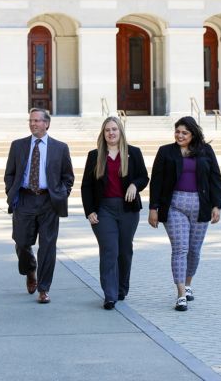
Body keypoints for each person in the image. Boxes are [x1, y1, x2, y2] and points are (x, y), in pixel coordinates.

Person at [148, 116, 221, 312]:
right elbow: (156, 180)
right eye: (177, 132)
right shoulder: (166, 152)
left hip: (200, 206)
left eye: (184, 133)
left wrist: (217, 205)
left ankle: (188, 284)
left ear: (193, 134)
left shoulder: (205, 151)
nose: (179, 135)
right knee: (180, 248)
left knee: (194, 250)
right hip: (174, 206)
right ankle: (180, 294)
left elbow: (215, 177)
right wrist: (153, 208)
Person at [4, 108, 74, 304]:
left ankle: (44, 288)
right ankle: (30, 269)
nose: (33, 123)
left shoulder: (60, 148)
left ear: (47, 124)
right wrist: (11, 192)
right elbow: (10, 173)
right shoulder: (18, 146)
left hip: (48, 202)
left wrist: (60, 195)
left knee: (48, 246)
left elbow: (68, 177)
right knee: (21, 242)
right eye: (31, 120)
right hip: (24, 199)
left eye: (37, 120)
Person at [81, 117, 149, 310]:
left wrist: (135, 185)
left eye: (114, 129)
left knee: (124, 251)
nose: (111, 133)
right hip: (104, 210)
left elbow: (144, 176)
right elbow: (86, 186)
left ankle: (121, 288)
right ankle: (109, 295)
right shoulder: (94, 156)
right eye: (107, 130)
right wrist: (90, 211)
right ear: (103, 134)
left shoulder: (133, 153)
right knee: (109, 250)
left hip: (128, 209)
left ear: (120, 131)